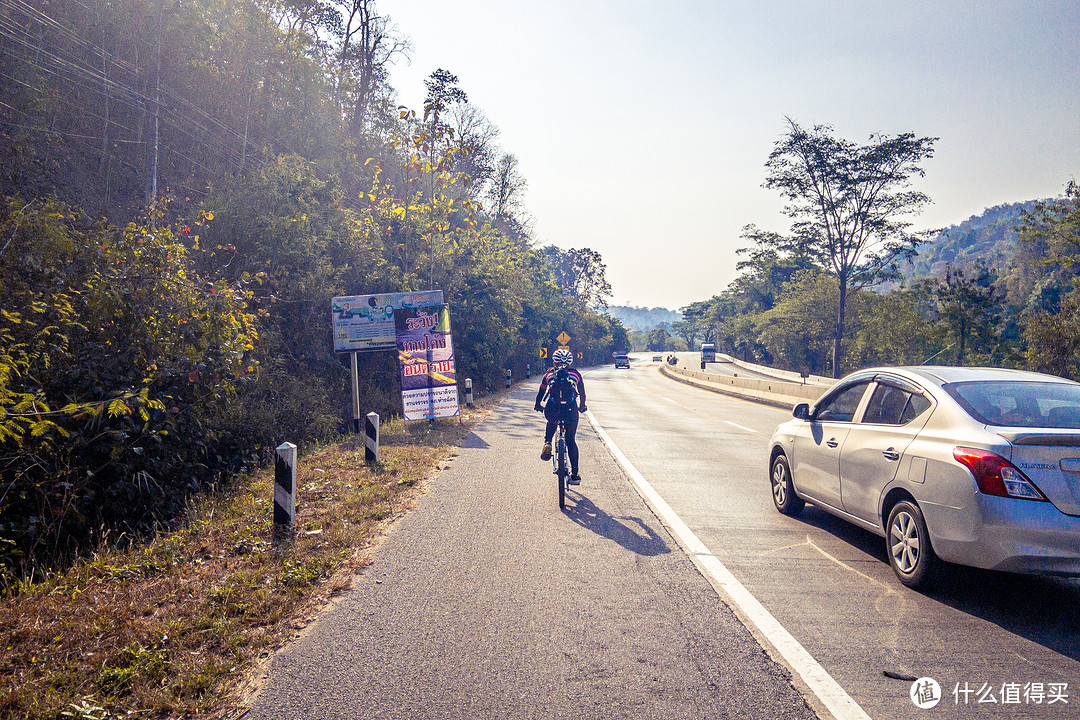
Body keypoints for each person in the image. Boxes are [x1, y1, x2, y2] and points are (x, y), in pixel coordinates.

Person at [534, 349, 587, 484]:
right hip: (570, 410)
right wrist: (582, 406)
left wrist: (538, 405)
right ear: (570, 362)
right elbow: (582, 394)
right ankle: (575, 474)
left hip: (553, 408)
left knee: (552, 420)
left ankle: (547, 443)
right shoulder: (576, 374)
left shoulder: (549, 374)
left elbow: (541, 392)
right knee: (570, 441)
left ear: (554, 361)